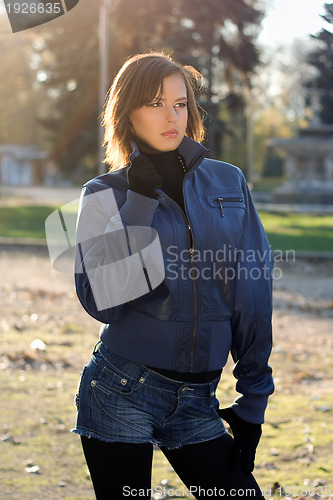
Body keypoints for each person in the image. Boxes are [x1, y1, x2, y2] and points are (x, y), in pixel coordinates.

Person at [72, 52, 274, 499]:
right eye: (155, 103)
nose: (171, 116)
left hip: (199, 401)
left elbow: (253, 293)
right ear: (127, 114)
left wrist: (253, 397)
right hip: (120, 390)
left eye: (180, 103)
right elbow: (102, 300)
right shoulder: (102, 194)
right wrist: (139, 205)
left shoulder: (229, 183)